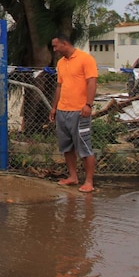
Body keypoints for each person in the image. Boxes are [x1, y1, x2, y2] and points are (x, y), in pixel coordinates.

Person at [49, 34, 98, 193]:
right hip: (63, 110)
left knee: (84, 146)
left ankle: (89, 181)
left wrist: (88, 104)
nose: (54, 50)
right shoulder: (61, 63)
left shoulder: (86, 59)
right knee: (66, 147)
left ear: (65, 43)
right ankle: (73, 176)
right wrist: (54, 107)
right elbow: (59, 86)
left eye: (56, 46)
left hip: (79, 111)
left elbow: (92, 82)